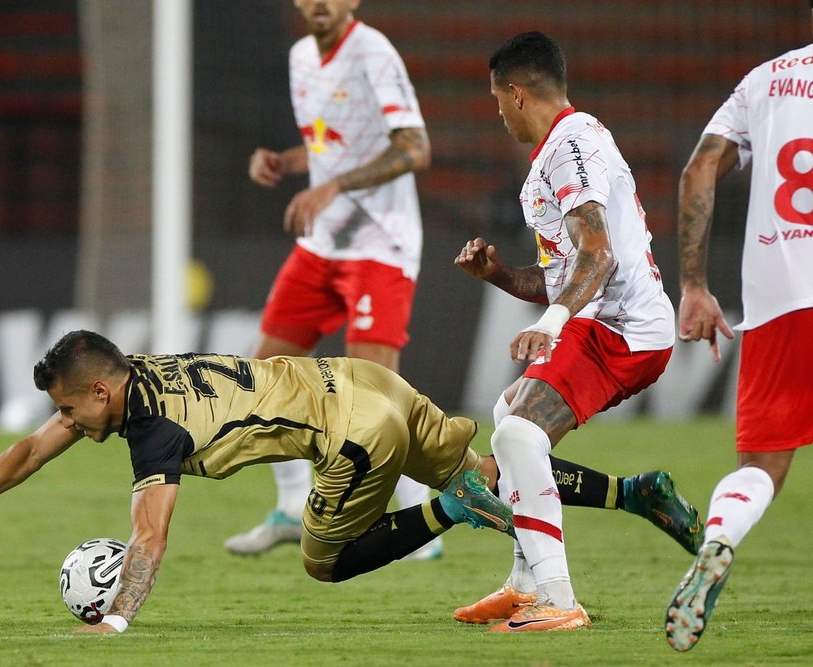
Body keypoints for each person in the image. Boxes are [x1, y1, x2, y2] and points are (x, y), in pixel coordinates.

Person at [0, 330, 684, 634]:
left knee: (323, 559)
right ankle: (634, 493)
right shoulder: (134, 375)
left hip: (351, 433)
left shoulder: (151, 428)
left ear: (100, 393)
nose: (64, 419)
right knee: (495, 469)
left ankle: (447, 511)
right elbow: (36, 448)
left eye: (68, 406)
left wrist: (112, 622)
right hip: (365, 379)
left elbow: (150, 537)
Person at [452, 32, 677, 632]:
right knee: (508, 420)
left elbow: (598, 259)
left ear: (517, 93)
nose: (498, 114)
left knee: (520, 436)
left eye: (498, 100)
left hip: (621, 327)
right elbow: (563, 275)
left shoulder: (572, 144)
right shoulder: (555, 154)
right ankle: (525, 583)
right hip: (601, 320)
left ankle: (558, 597)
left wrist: (550, 326)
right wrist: (497, 274)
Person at [228, 0, 439, 558]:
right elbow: (332, 144)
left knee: (371, 394)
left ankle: (415, 519)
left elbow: (416, 148)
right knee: (268, 375)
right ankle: (291, 508)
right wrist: (286, 163)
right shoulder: (301, 56)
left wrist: (333, 188)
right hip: (322, 244)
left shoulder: (373, 53)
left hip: (379, 242)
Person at [665, 3, 813, 652]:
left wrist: (694, 285)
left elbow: (698, 169)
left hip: (780, 298)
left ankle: (720, 534)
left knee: (760, 466)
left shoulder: (766, 79)